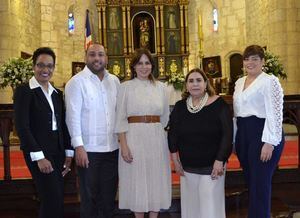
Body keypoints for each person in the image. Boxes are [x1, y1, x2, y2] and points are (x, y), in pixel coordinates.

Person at [14, 47, 73, 218]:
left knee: (57, 198)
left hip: (58, 151)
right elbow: (22, 127)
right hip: (38, 152)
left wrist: (68, 153)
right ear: (34, 66)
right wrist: (39, 157)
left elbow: (63, 124)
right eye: (41, 65)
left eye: (49, 66)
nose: (45, 70)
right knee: (50, 199)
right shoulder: (25, 91)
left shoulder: (56, 94)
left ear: (54, 68)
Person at [168, 68, 233, 218]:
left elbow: (227, 135)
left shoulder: (219, 104)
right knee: (191, 206)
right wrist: (175, 161)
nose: (195, 84)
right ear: (186, 85)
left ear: (206, 83)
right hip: (188, 165)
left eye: (199, 80)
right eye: (191, 81)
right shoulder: (180, 107)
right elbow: (173, 134)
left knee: (209, 205)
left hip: (212, 166)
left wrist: (220, 160)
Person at [65, 43, 120, 218]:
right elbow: (72, 117)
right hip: (89, 151)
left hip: (112, 149)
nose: (97, 58)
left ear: (107, 58)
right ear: (86, 57)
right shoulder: (76, 82)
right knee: (90, 200)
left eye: (101, 54)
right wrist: (79, 146)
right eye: (92, 54)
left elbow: (119, 113)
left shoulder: (115, 81)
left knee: (109, 198)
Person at [115, 48, 171, 218]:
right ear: (133, 66)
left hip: (156, 137)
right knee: (137, 179)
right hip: (133, 137)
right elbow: (120, 118)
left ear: (152, 66)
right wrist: (124, 145)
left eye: (147, 63)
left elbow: (165, 118)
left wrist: (156, 133)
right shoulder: (125, 87)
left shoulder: (161, 87)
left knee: (156, 178)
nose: (144, 67)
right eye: (140, 63)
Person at [233, 45, 284, 218]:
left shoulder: (269, 81)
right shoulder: (239, 82)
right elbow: (237, 113)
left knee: (260, 184)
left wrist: (269, 142)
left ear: (263, 61)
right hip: (244, 135)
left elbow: (275, 114)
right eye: (247, 59)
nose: (250, 62)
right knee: (251, 182)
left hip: (263, 134)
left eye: (255, 59)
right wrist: (235, 140)